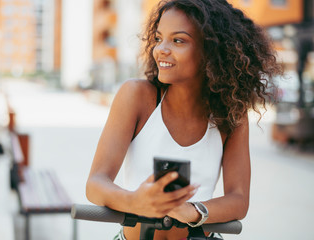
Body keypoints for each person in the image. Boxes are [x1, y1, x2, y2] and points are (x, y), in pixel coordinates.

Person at [86, 0, 282, 239]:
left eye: (178, 40)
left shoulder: (232, 113)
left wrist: (194, 211)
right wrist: (135, 201)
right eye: (158, 38)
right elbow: (95, 184)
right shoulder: (136, 96)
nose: (161, 49)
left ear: (211, 50)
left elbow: (238, 199)